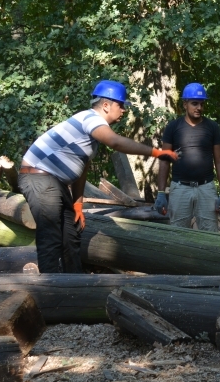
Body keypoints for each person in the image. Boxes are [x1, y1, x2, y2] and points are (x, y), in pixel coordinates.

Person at [19, 80, 178, 273]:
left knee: (71, 234)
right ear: (105, 105)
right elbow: (115, 142)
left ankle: (74, 287)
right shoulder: (91, 118)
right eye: (120, 105)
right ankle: (52, 291)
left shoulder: (91, 134)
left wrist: (78, 203)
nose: (123, 110)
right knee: (51, 237)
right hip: (39, 177)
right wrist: (157, 153)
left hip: (54, 182)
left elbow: (81, 169)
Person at [154, 83, 220, 231]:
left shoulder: (212, 127)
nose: (199, 108)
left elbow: (219, 161)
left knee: (210, 234)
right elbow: (164, 161)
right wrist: (161, 193)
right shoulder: (173, 127)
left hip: (206, 187)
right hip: (180, 188)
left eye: (202, 104)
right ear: (185, 104)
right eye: (194, 103)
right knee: (178, 233)